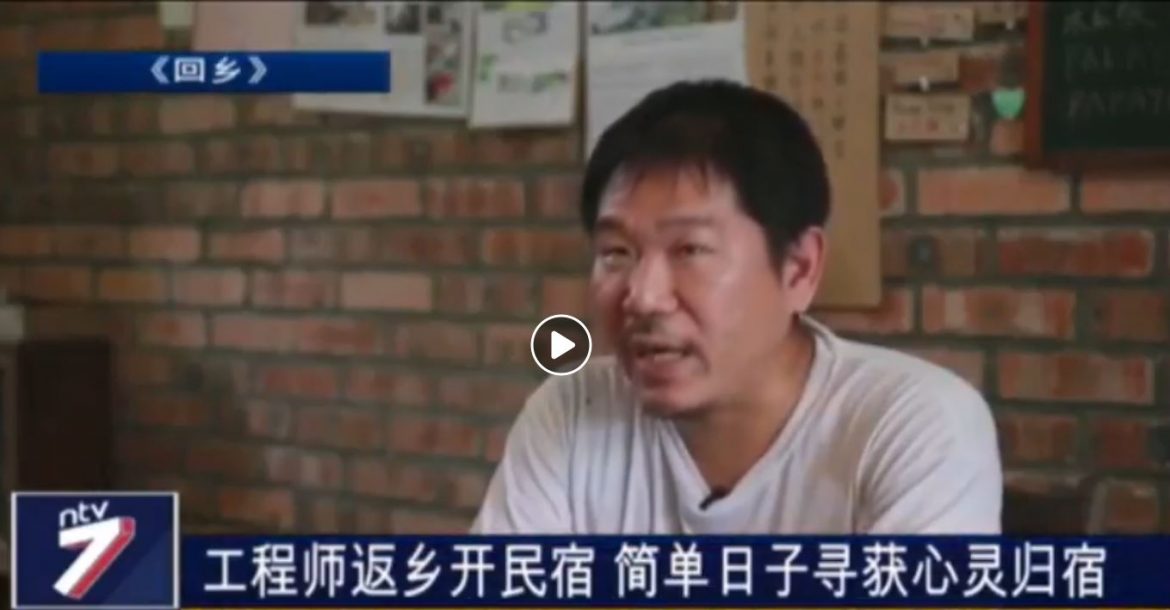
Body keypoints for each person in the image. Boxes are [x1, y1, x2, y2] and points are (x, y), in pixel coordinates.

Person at [471, 80, 1002, 534]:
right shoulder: (572, 412)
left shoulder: (913, 426)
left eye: (690, 250)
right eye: (616, 253)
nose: (643, 296)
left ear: (799, 269)